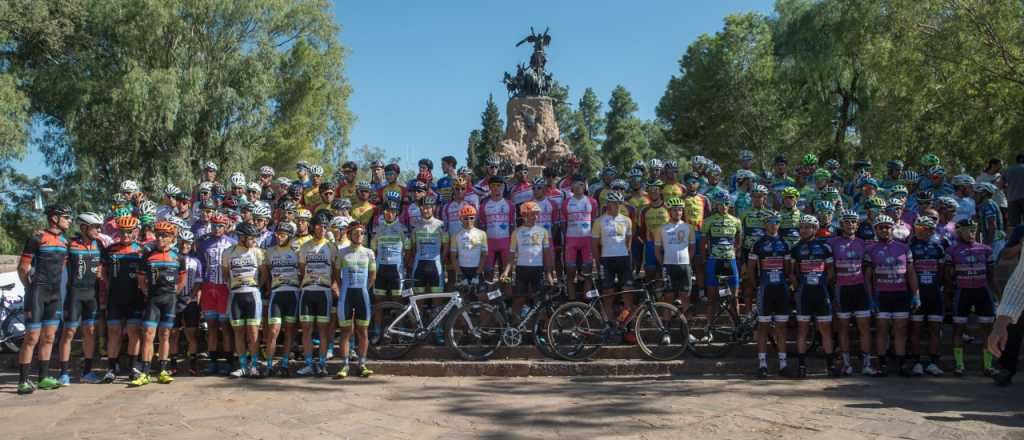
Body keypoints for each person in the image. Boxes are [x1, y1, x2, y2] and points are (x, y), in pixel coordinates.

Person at [16, 205, 72, 394]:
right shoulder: (37, 238)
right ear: (54, 218)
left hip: (54, 294)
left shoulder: (65, 241)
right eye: (66, 217)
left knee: (49, 337)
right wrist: (29, 287)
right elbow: (23, 268)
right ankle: (23, 381)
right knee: (32, 337)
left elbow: (62, 267)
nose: (69, 221)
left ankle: (43, 378)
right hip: (37, 292)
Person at [131, 221, 187, 386]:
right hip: (153, 300)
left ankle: (163, 370)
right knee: (148, 334)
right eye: (158, 235)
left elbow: (182, 279)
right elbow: (141, 279)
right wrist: (147, 292)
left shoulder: (178, 257)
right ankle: (145, 372)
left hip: (169, 299)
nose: (160, 238)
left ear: (171, 238)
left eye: (164, 236)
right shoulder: (147, 256)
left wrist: (174, 293)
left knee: (165, 335)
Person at [864, 214, 919, 376]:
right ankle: (882, 364)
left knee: (901, 330)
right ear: (875, 230)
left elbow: (911, 273)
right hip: (881, 295)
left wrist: (916, 294)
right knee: (882, 330)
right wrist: (870, 298)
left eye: (887, 227)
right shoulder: (870, 249)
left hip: (901, 294)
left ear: (892, 228)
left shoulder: (904, 248)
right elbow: (867, 278)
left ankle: (901, 364)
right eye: (881, 228)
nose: (884, 230)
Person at [56, 212, 104, 385]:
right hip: (74, 293)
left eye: (99, 227)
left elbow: (102, 266)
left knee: (90, 332)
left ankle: (87, 372)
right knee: (69, 332)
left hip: (92, 294)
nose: (98, 230)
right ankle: (63, 373)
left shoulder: (99, 244)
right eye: (95, 227)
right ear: (84, 227)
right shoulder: (70, 244)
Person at [788, 215, 837, 378]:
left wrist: (822, 283)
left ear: (815, 229)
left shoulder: (825, 247)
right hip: (804, 293)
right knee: (802, 330)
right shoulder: (795, 248)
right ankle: (802, 366)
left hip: (821, 292)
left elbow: (831, 271)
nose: (804, 230)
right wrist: (798, 287)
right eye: (801, 227)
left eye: (807, 227)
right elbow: (791, 273)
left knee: (825, 330)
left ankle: (830, 366)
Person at [100, 214, 146, 384]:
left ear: (135, 231)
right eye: (122, 232)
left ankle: (134, 367)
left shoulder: (141, 250)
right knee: (114, 332)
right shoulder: (110, 249)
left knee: (134, 332)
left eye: (129, 232)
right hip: (115, 297)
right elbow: (102, 272)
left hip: (135, 297)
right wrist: (109, 285)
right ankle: (112, 368)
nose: (125, 235)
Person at [828, 210, 876, 376]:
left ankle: (866, 364)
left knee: (864, 327)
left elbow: (868, 269)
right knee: (843, 328)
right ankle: (846, 364)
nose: (850, 224)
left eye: (853, 221)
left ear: (857, 225)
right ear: (841, 225)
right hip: (842, 289)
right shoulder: (832, 242)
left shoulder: (863, 243)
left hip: (860, 288)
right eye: (847, 222)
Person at [946, 218, 996, 376]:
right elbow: (947, 276)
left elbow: (991, 275)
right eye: (967, 230)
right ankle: (959, 365)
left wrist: (997, 294)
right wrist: (949, 293)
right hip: (963, 292)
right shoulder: (951, 251)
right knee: (958, 328)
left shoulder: (986, 249)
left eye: (973, 229)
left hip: (982, 291)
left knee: (987, 329)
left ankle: (988, 366)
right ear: (958, 232)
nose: (971, 233)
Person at [746, 211, 789, 378]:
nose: (773, 225)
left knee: (781, 328)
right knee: (763, 327)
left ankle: (783, 364)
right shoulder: (758, 244)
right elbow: (750, 268)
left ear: (779, 224)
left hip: (781, 289)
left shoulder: (784, 243)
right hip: (765, 289)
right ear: (765, 224)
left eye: (776, 221)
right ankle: (762, 364)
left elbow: (788, 269)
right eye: (770, 222)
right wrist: (756, 285)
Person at [223, 223, 267, 378]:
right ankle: (242, 366)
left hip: (253, 294)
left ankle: (254, 366)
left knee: (253, 332)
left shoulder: (257, 252)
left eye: (255, 238)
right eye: (251, 238)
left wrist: (256, 287)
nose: (254, 241)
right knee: (238, 332)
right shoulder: (228, 252)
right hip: (236, 295)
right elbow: (225, 273)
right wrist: (234, 286)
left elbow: (264, 273)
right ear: (241, 237)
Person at [297, 213, 338, 377]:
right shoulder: (305, 247)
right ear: (313, 227)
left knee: (323, 330)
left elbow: (335, 270)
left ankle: (322, 364)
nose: (322, 229)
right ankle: (308, 364)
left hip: (324, 291)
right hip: (308, 290)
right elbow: (302, 269)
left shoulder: (331, 247)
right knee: (306, 329)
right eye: (320, 226)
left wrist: (331, 283)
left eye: (325, 226)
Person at [196, 214, 237, 375]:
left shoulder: (232, 243)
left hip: (225, 288)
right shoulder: (203, 244)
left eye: (220, 226)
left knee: (226, 326)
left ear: (226, 227)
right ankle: (212, 362)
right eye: (214, 225)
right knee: (211, 326)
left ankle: (228, 361)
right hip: (208, 287)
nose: (217, 228)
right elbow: (201, 267)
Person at [907, 215, 947, 377]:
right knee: (915, 329)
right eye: (918, 228)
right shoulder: (910, 247)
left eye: (924, 229)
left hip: (934, 293)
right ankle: (916, 362)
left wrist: (941, 287)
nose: (920, 232)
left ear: (931, 231)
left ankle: (933, 363)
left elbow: (943, 271)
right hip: (917, 293)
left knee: (934, 329)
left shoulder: (939, 247)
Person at [335, 223, 377, 378]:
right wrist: (343, 289)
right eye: (356, 233)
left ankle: (362, 364)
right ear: (349, 234)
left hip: (362, 295)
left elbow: (373, 275)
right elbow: (336, 275)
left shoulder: (369, 253)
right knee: (346, 332)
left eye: (362, 233)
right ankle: (344, 365)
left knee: (362, 331)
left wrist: (364, 288)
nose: (359, 235)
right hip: (346, 295)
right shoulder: (342, 253)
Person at [505, 201, 555, 321]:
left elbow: (547, 254)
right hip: (522, 269)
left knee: (539, 300)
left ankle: (539, 329)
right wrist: (506, 271)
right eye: (532, 214)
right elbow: (511, 254)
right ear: (524, 215)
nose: (536, 217)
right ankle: (514, 326)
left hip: (538, 269)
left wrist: (549, 274)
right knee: (519, 299)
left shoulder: (543, 231)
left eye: (537, 214)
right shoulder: (516, 232)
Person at [591, 192, 634, 324]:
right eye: (610, 203)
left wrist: (627, 256)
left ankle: (624, 324)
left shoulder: (627, 220)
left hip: (623, 259)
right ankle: (610, 324)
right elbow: (594, 245)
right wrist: (598, 262)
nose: (613, 205)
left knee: (627, 293)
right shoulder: (599, 221)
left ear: (620, 205)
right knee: (608, 294)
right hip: (607, 260)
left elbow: (628, 242)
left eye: (616, 203)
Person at [264, 222, 300, 377]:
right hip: (277, 293)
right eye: (278, 234)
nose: (279, 237)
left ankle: (285, 363)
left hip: (293, 293)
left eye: (283, 235)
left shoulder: (297, 251)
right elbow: (266, 272)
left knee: (289, 330)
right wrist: (268, 287)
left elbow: (303, 270)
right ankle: (269, 365)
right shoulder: (270, 251)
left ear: (290, 236)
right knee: (273, 331)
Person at [370, 200, 411, 335]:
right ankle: (377, 332)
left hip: (397, 271)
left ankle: (400, 331)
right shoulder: (377, 228)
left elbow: (408, 250)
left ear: (397, 213)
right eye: (387, 211)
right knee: (378, 303)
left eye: (393, 211)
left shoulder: (402, 229)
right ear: (383, 212)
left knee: (398, 302)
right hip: (380, 269)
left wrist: (404, 266)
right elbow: (373, 250)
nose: (389, 214)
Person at [171, 229, 203, 376]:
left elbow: (198, 282)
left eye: (188, 243)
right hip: (174, 300)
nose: (185, 246)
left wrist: (191, 297)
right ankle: (172, 365)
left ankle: (193, 364)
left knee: (191, 334)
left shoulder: (196, 261)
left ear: (192, 245)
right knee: (173, 334)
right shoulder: (172, 258)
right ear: (178, 243)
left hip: (190, 300)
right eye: (182, 243)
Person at [654, 197, 695, 310]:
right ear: (669, 211)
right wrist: (664, 264)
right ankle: (667, 321)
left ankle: (684, 321)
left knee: (685, 297)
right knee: (668, 298)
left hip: (684, 266)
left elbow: (692, 248)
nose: (678, 212)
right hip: (668, 266)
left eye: (680, 209)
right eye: (675, 210)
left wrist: (688, 263)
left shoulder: (689, 227)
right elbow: (657, 251)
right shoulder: (661, 229)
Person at [562, 176, 598, 300]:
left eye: (581, 184)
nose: (578, 187)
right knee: (570, 273)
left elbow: (594, 222)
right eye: (575, 184)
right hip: (571, 241)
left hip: (587, 241)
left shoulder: (592, 202)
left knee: (587, 273)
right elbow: (564, 224)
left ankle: (587, 303)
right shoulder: (566, 202)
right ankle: (572, 303)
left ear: (585, 186)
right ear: (571, 187)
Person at [480, 176, 515, 282]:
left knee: (506, 272)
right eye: (493, 186)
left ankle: (506, 292)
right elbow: (482, 226)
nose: (496, 188)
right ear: (489, 187)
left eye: (499, 185)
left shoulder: (509, 204)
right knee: (488, 272)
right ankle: (491, 292)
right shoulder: (484, 205)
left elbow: (512, 225)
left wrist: (513, 243)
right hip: (489, 243)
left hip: (505, 242)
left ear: (503, 187)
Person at [450, 204, 488, 284]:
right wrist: (460, 274)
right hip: (462, 269)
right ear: (460, 219)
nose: (469, 221)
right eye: (465, 218)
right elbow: (453, 256)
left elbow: (484, 255)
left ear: (475, 218)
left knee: (479, 292)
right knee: (462, 292)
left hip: (477, 268)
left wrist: (478, 273)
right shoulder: (455, 235)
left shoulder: (482, 234)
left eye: (471, 218)